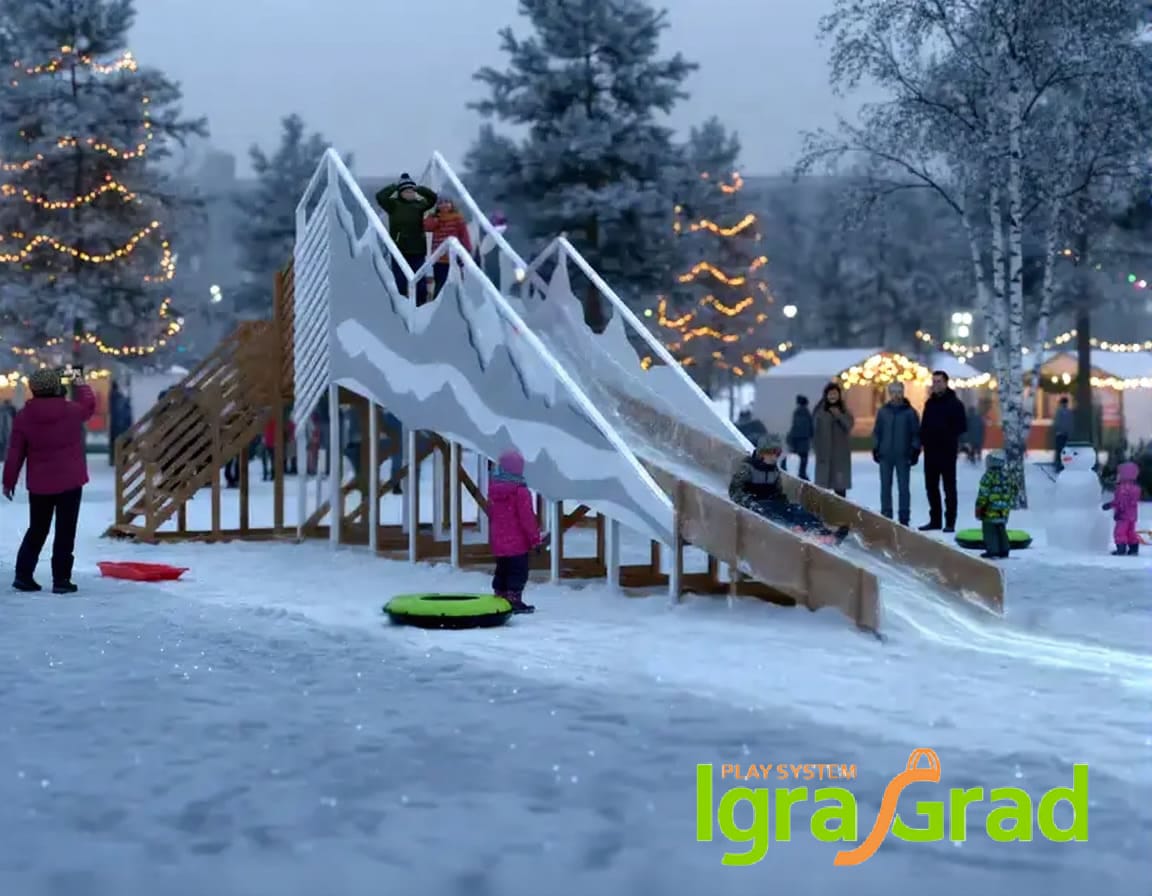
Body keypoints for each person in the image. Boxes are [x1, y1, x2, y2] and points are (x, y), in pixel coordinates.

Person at [3, 368, 95, 593]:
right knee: (65, 531)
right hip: (70, 481)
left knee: (37, 529)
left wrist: (8, 481)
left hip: (40, 484)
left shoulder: (24, 417)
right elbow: (89, 404)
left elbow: (15, 452)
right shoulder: (72, 411)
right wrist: (79, 380)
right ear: (56, 386)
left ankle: (23, 575)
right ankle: (61, 580)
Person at [729, 433, 849, 545]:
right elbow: (734, 491)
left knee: (797, 510)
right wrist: (749, 503)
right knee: (771, 514)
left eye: (778, 453)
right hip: (756, 504)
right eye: (773, 453)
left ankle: (824, 533)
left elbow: (777, 491)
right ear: (763, 452)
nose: (776, 457)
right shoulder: (748, 468)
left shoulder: (773, 470)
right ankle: (795, 531)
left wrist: (785, 505)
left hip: (772, 502)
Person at [487, 449, 543, 614]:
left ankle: (500, 597)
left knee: (502, 569)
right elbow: (527, 518)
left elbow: (492, 514)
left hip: (499, 540)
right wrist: (535, 538)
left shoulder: (494, 489)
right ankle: (514, 600)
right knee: (518, 571)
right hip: (517, 542)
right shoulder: (520, 491)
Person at [375, 173, 438, 306]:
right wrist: (395, 186)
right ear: (401, 192)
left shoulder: (420, 205)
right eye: (407, 191)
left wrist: (419, 188)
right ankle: (402, 305)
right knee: (401, 281)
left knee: (419, 280)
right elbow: (380, 197)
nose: (410, 193)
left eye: (411, 191)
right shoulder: (393, 205)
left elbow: (433, 198)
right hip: (399, 249)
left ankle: (420, 304)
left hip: (417, 249)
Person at [918, 370, 967, 532]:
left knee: (949, 488)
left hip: (947, 452)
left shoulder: (955, 404)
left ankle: (950, 522)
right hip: (931, 452)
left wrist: (948, 437)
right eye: (934, 381)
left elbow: (961, 427)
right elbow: (924, 426)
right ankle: (935, 520)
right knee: (931, 487)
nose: (936, 384)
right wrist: (922, 442)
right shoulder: (929, 404)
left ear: (946, 383)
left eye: (939, 381)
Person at [871, 382, 921, 526]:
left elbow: (916, 433)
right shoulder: (883, 412)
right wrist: (876, 447)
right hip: (885, 454)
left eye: (899, 391)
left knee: (903, 487)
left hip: (903, 455)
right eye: (893, 392)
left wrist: (915, 450)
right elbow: (877, 431)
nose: (896, 395)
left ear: (903, 393)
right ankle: (886, 514)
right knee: (885, 486)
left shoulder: (910, 412)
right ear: (889, 393)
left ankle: (904, 516)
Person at [423, 197, 473, 298]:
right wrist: (434, 218)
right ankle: (437, 299)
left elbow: (464, 235)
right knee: (440, 281)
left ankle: (457, 299)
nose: (444, 205)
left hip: (455, 256)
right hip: (439, 257)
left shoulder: (457, 218)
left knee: (456, 281)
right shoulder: (435, 218)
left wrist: (466, 250)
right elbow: (426, 227)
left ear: (452, 204)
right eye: (441, 203)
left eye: (446, 202)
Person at [812, 382, 854, 497]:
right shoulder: (820, 411)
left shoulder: (845, 411)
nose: (832, 396)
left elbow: (849, 425)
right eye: (830, 394)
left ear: (839, 395)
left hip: (840, 457)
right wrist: (816, 448)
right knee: (822, 488)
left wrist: (839, 415)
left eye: (835, 394)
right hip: (824, 456)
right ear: (826, 395)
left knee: (840, 488)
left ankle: (840, 507)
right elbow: (814, 431)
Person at [974, 451, 1018, 559]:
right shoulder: (1008, 476)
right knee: (1001, 529)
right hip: (1004, 510)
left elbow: (983, 493)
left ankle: (993, 550)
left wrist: (979, 506)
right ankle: (1004, 549)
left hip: (990, 510)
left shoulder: (988, 476)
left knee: (990, 530)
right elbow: (1015, 489)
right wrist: (1008, 502)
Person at [1103, 461, 1141, 556]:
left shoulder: (1122, 488)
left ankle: (1121, 549)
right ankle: (1134, 548)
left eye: (1119, 474)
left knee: (1120, 532)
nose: (1117, 476)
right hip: (1132, 515)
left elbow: (1120, 501)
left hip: (1123, 515)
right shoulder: (1136, 488)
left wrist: (1110, 506)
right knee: (1130, 532)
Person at [785, 395, 813, 480]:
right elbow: (811, 426)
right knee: (804, 458)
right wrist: (812, 435)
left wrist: (791, 437)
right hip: (804, 439)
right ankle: (802, 473)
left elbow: (795, 425)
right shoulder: (807, 413)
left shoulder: (797, 412)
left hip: (797, 438)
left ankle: (784, 468)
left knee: (791, 454)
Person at [108, 380, 133, 466]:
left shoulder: (113, 397)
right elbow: (125, 415)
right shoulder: (120, 398)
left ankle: (115, 460)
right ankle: (123, 461)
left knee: (116, 444)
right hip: (122, 427)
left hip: (116, 426)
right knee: (123, 445)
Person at [1051, 396, 1073, 470]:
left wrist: (1056, 429)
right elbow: (1070, 423)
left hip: (1060, 434)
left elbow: (1056, 423)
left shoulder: (1059, 412)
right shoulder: (1068, 412)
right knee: (1064, 450)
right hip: (1064, 434)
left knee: (1060, 450)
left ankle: (1059, 464)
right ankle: (1063, 464)